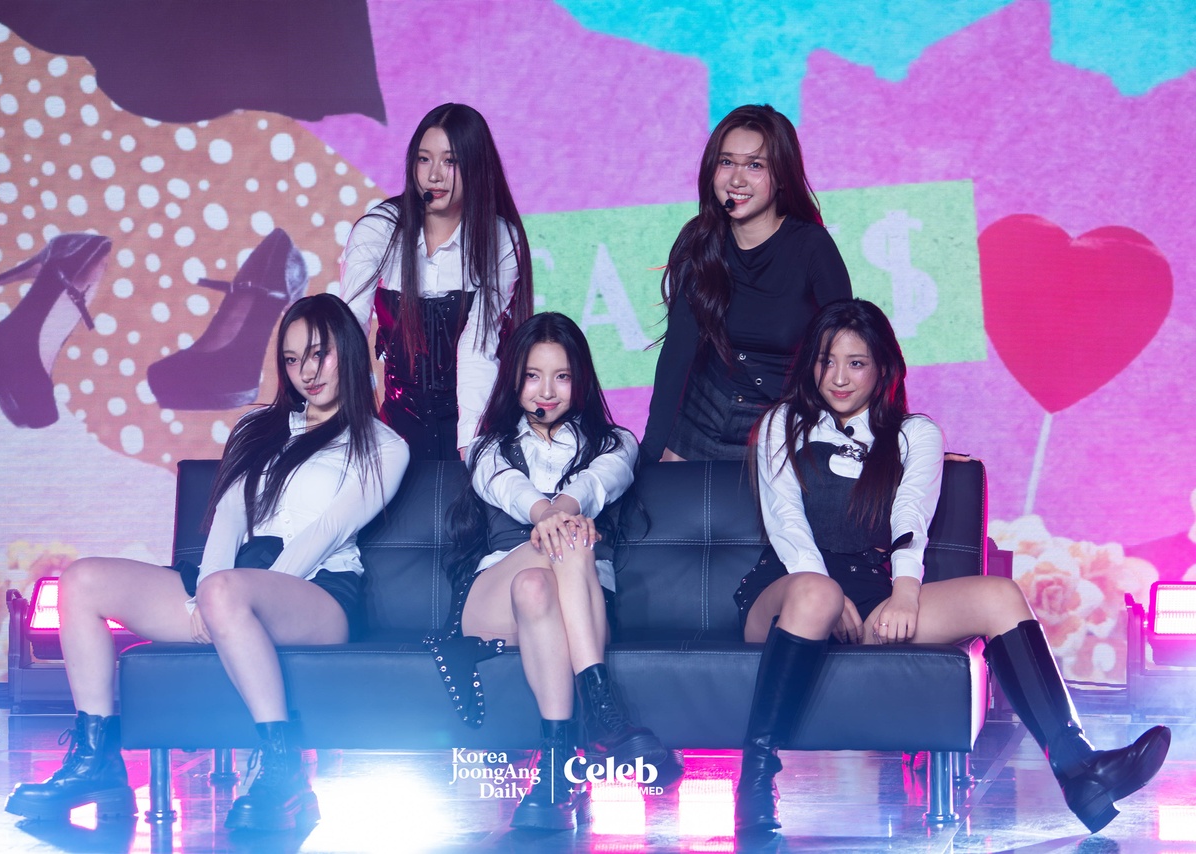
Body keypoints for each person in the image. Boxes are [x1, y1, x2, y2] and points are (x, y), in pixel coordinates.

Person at [731, 298, 1170, 839]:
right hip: (786, 593)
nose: (838, 377)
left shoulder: (915, 434)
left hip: (869, 594)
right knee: (816, 595)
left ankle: (1079, 768)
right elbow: (786, 522)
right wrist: (823, 588)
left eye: (856, 363)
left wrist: (905, 593)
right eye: (826, 361)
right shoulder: (784, 423)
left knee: (1000, 595)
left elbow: (910, 517)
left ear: (883, 369)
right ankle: (755, 783)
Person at [5, 294, 410, 832]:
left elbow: (327, 531)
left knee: (226, 594)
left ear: (349, 352)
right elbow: (228, 517)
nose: (307, 373)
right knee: (81, 581)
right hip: (233, 584)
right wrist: (204, 596)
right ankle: (96, 761)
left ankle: (283, 768)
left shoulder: (383, 446)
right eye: (293, 360)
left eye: (320, 354)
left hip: (318, 590)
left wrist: (226, 600)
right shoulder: (258, 427)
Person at [440, 312, 676, 831]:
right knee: (562, 544)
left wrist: (564, 509)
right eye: (533, 375)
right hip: (492, 602)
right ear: (514, 379)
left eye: (562, 376)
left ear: (581, 379)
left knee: (539, 581)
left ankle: (553, 774)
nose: (546, 390)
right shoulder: (487, 448)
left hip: (575, 607)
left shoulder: (616, 443)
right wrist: (547, 516)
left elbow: (598, 482)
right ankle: (602, 705)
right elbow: (507, 487)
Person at [641, 104, 852, 463]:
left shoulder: (811, 247)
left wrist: (886, 441)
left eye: (755, 165)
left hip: (780, 430)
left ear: (782, 176)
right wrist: (649, 454)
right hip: (698, 425)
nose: (736, 180)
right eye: (726, 162)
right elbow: (677, 354)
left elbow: (852, 349)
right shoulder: (699, 241)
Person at [341, 102, 533, 461]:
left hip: (475, 422)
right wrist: (352, 423)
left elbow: (478, 346)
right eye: (424, 159)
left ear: (476, 166)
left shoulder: (500, 239)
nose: (434, 176)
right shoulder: (378, 229)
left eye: (450, 161)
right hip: (395, 428)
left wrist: (470, 444)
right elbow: (349, 327)